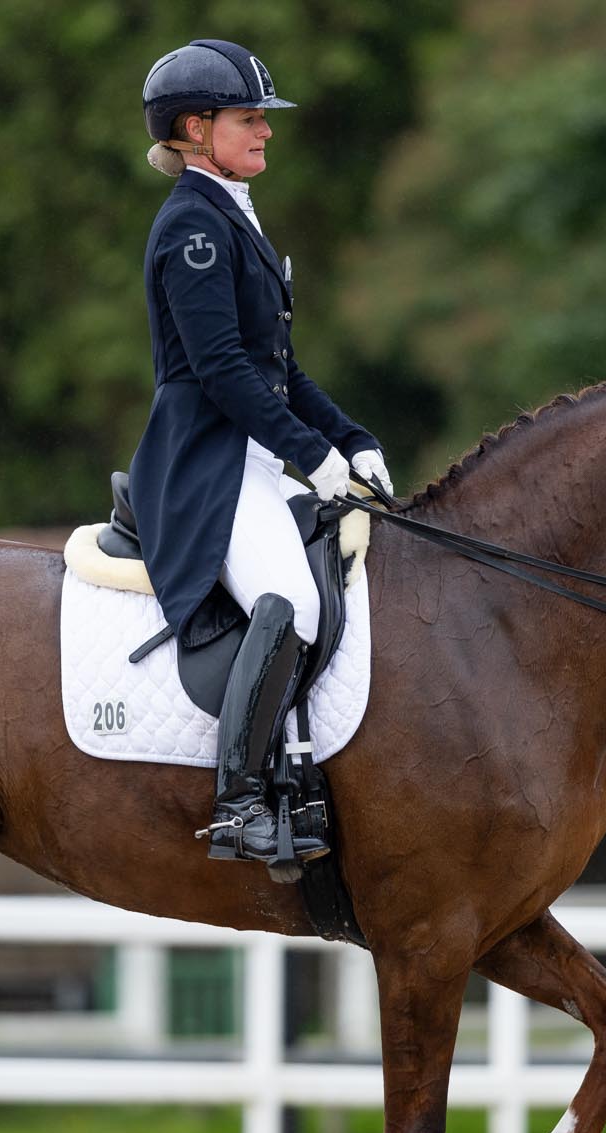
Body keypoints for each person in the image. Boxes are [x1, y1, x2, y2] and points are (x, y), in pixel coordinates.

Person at [128, 39, 393, 877]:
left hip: (254, 450)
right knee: (292, 601)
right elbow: (219, 372)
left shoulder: (232, 214)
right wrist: (310, 455)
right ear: (194, 128)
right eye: (251, 119)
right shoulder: (193, 230)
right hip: (207, 462)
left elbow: (279, 370)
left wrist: (352, 438)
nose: (267, 134)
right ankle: (241, 800)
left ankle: (300, 771)